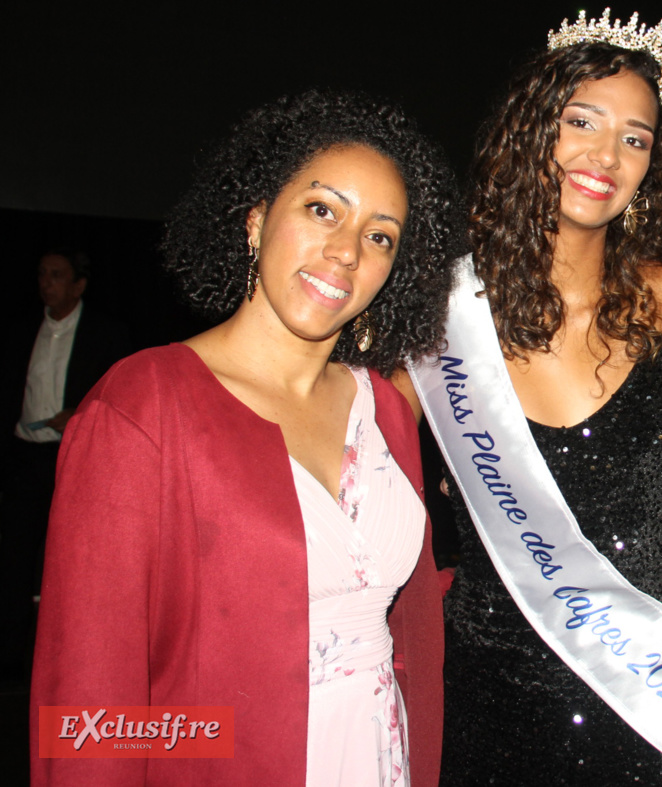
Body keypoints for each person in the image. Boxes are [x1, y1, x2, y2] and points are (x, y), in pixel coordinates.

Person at [30, 90, 459, 787]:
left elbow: (402, 619)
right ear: (257, 220)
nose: (346, 250)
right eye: (322, 209)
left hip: (382, 755)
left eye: (380, 236)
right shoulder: (144, 405)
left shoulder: (380, 408)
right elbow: (88, 701)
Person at [406, 10, 662, 786]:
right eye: (582, 121)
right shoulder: (439, 320)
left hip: (651, 709)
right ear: (531, 133)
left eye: (636, 137)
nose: (607, 154)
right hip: (487, 705)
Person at [0, 249, 129, 679]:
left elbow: (120, 398)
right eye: (41, 274)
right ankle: (11, 659)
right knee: (15, 556)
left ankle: (74, 659)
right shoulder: (21, 330)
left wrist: (77, 412)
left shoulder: (105, 334)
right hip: (24, 455)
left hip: (74, 458)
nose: (46, 283)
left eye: (56, 275)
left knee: (74, 559)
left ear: (78, 285)